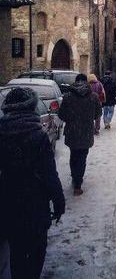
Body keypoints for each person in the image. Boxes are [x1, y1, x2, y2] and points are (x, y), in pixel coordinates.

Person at [0, 87, 65, 279]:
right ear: (32, 108)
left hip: (9, 203)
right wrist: (59, 201)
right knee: (37, 252)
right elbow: (49, 174)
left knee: (17, 251)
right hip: (35, 205)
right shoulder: (38, 136)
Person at [58, 74, 101, 196]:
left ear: (75, 82)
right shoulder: (93, 97)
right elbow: (98, 114)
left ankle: (74, 176)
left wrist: (72, 119)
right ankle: (78, 183)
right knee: (82, 156)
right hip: (86, 132)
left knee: (74, 154)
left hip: (72, 131)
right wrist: (87, 118)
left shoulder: (68, 97)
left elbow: (61, 115)